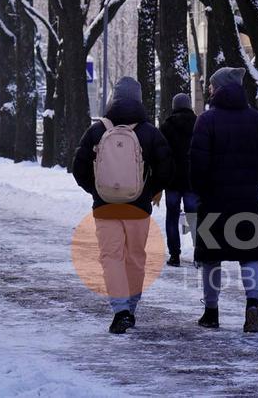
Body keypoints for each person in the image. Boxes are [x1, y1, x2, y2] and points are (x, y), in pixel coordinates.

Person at [72, 76, 172, 334]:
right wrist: (149, 190)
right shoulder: (150, 132)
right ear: (139, 99)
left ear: (113, 98)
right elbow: (166, 168)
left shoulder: (96, 130)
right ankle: (132, 306)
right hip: (138, 208)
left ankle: (120, 311)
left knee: (110, 257)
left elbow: (79, 167)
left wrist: (96, 190)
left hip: (105, 207)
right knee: (136, 258)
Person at [190, 67, 258, 333]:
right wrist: (253, 184)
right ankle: (253, 304)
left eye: (212, 86)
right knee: (249, 254)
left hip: (213, 200)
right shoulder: (257, 120)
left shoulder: (206, 120)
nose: (210, 90)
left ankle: (211, 312)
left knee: (211, 257)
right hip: (247, 200)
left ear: (220, 87)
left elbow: (198, 163)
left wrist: (201, 190)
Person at [159, 93, 198, 267]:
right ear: (189, 105)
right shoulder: (198, 123)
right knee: (195, 217)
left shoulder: (167, 126)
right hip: (192, 179)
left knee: (172, 217)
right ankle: (200, 255)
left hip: (173, 180)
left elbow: (162, 154)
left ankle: (175, 255)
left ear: (174, 106)